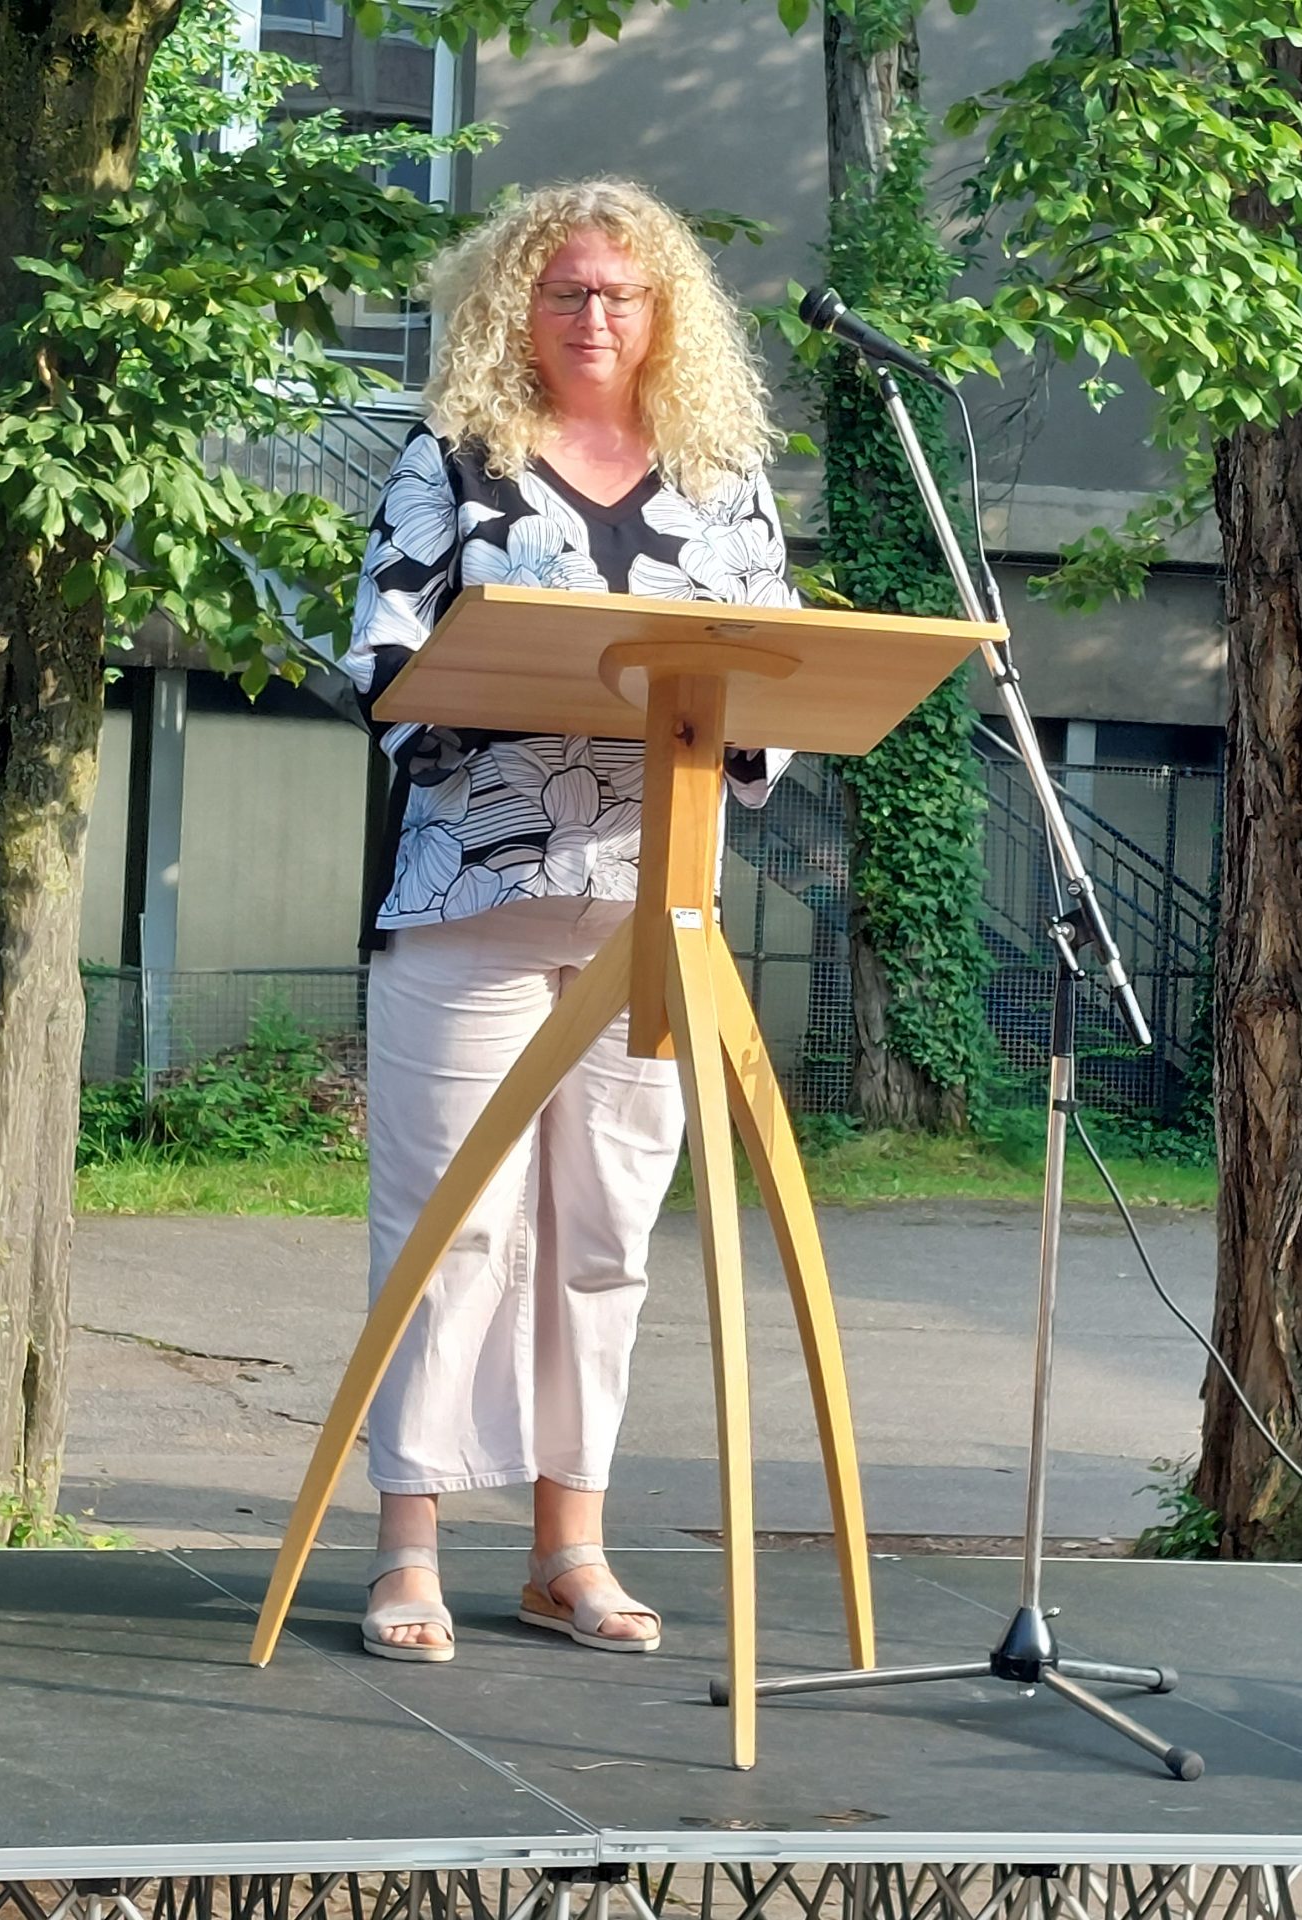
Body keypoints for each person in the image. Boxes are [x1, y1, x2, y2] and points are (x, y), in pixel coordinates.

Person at [335, 179, 799, 1663]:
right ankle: (409, 1544)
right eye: (565, 291)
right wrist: (530, 689)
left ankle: (568, 1549)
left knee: (602, 1235)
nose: (596, 315)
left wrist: (739, 727)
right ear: (511, 310)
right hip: (472, 894)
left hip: (650, 908)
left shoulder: (723, 474)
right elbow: (387, 659)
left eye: (622, 292)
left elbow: (778, 671)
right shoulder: (452, 462)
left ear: (665, 313)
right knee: (450, 1226)